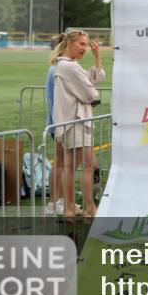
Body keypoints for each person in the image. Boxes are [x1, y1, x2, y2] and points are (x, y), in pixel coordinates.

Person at [50, 29, 105, 219]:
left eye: (87, 45)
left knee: (71, 167)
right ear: (69, 44)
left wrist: (97, 57)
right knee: (87, 166)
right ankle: (89, 208)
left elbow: (93, 79)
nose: (85, 48)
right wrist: (91, 94)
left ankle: (71, 207)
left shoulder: (66, 65)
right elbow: (91, 93)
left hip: (69, 123)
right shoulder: (70, 67)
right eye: (82, 44)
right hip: (77, 121)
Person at [43, 35, 64, 215]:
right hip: (58, 123)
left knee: (63, 163)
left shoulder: (56, 68)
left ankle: (60, 199)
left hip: (57, 122)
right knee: (60, 163)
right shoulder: (56, 69)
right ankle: (53, 201)